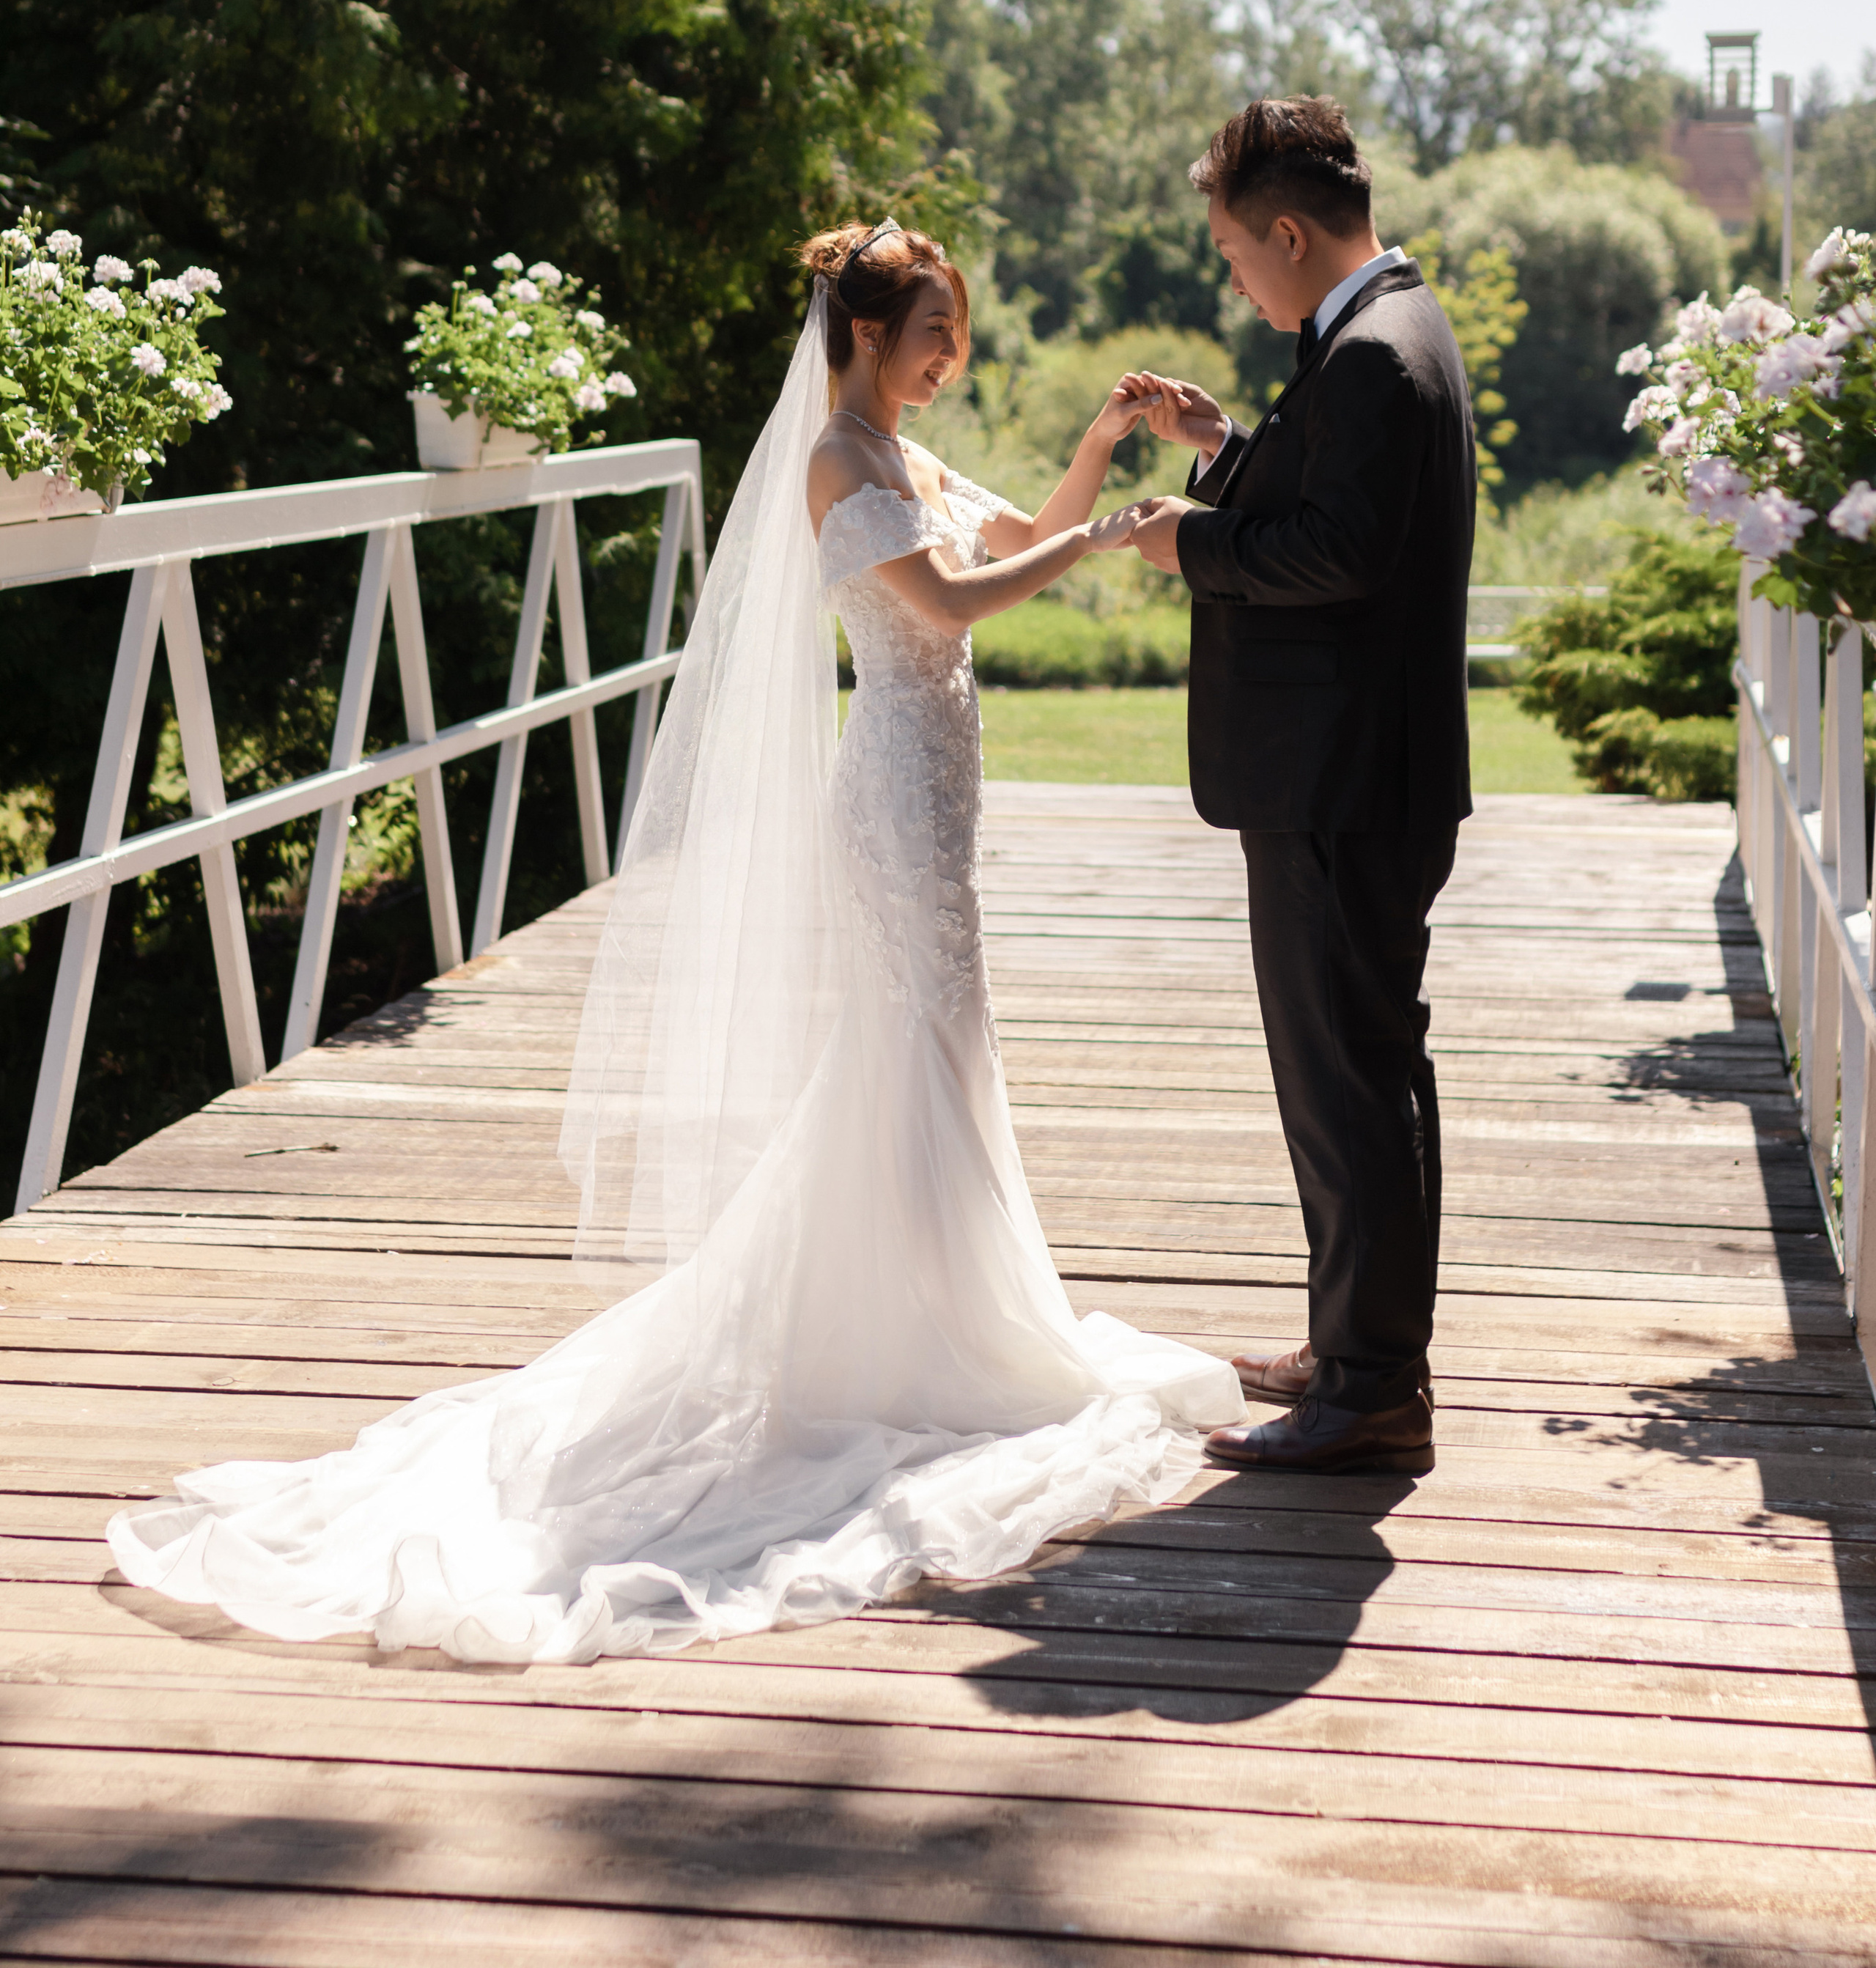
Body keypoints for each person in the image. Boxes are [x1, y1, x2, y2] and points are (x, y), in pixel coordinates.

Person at [106, 218, 1238, 1664]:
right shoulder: (840, 457)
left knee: (937, 1050)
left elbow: (1006, 537)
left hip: (934, 792)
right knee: (908, 1045)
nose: (950, 354)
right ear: (867, 336)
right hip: (891, 795)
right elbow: (952, 603)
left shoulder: (899, 452)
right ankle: (911, 1338)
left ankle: (941, 1307)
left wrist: (1094, 457)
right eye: (931, 331)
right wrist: (1099, 543)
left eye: (957, 330)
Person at [1125, 97, 1474, 1476]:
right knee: (1363, 1075)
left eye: (1230, 250)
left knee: (1348, 1085)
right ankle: (1356, 1347)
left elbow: (1339, 557)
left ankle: (1376, 1389)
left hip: (1345, 787)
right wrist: (1221, 453)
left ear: (1286, 229)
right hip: (1359, 779)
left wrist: (1191, 548)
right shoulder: (1386, 329)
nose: (1230, 275)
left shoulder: (1378, 353)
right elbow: (1336, 499)